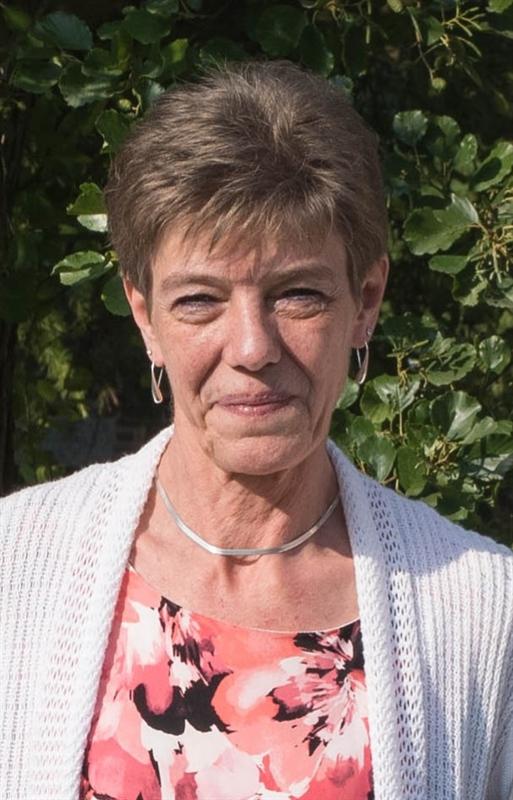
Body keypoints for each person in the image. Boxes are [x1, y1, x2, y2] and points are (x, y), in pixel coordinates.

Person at [1, 61, 512, 800]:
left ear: (365, 301)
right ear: (145, 316)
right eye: (199, 300)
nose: (251, 347)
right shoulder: (18, 567)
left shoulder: (481, 611)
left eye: (297, 294)